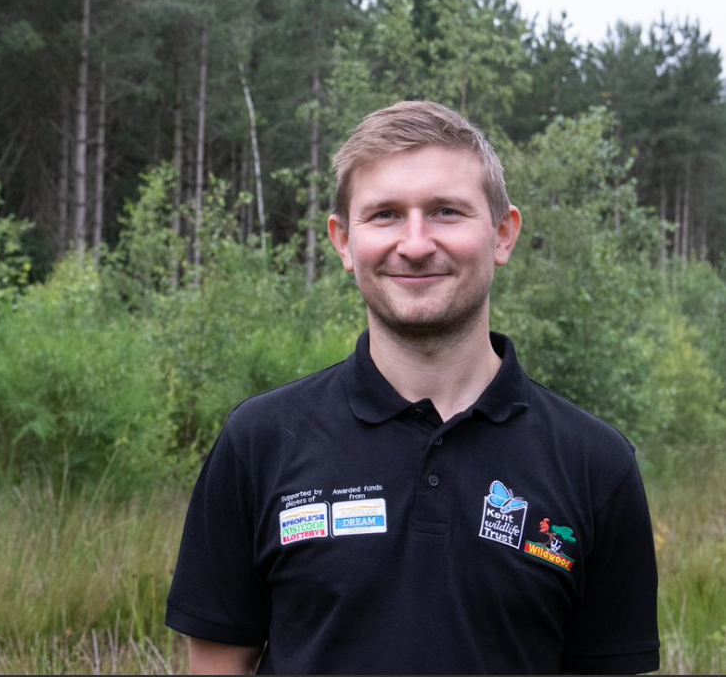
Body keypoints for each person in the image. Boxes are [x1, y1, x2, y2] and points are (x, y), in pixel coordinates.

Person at [165, 101, 659, 674]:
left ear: (502, 234)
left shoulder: (597, 465)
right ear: (344, 242)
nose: (417, 243)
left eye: (447, 212)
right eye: (385, 215)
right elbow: (219, 663)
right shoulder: (259, 442)